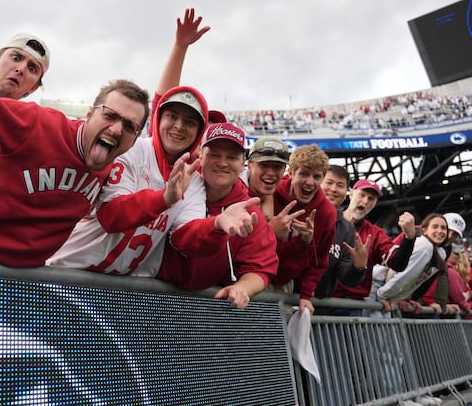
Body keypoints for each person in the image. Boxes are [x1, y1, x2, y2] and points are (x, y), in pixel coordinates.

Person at [0, 79, 150, 267]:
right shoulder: (38, 123)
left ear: (134, 140)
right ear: (89, 114)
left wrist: (167, 197)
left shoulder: (110, 165)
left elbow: (118, 213)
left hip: (25, 276)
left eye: (130, 127)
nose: (116, 130)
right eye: (109, 115)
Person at [48, 85, 209, 276]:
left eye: (190, 122)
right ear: (158, 119)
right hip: (67, 272)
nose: (179, 126)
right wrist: (164, 198)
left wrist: (216, 227)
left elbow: (185, 238)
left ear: (199, 132)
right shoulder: (132, 148)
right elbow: (111, 216)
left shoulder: (194, 181)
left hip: (123, 291)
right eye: (172, 116)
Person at [157, 122, 279, 309]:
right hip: (152, 296)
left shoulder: (250, 212)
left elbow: (260, 268)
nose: (222, 163)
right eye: (214, 154)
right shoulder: (175, 186)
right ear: (201, 155)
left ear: (243, 162)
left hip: (206, 308)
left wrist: (241, 288)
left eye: (231, 157)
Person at [332, 179, 416, 315]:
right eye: (362, 195)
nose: (365, 201)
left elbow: (397, 263)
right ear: (351, 194)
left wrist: (409, 238)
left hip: (350, 305)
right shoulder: (328, 219)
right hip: (316, 298)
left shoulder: (375, 234)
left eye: (371, 198)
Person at [272, 144, 337, 314]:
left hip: (283, 284)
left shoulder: (327, 212)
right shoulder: (271, 193)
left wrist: (306, 295)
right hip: (253, 272)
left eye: (317, 176)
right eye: (304, 174)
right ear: (291, 173)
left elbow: (319, 261)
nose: (310, 182)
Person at [0, 33, 51, 165]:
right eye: (16, 58)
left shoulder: (20, 138)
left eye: (32, 69)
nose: (21, 69)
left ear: (33, 88)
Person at [314, 164, 371, 301]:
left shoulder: (347, 228)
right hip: (286, 300)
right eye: (329, 182)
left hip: (320, 308)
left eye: (340, 185)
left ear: (346, 192)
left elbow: (347, 279)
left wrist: (358, 267)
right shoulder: (300, 213)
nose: (333, 189)